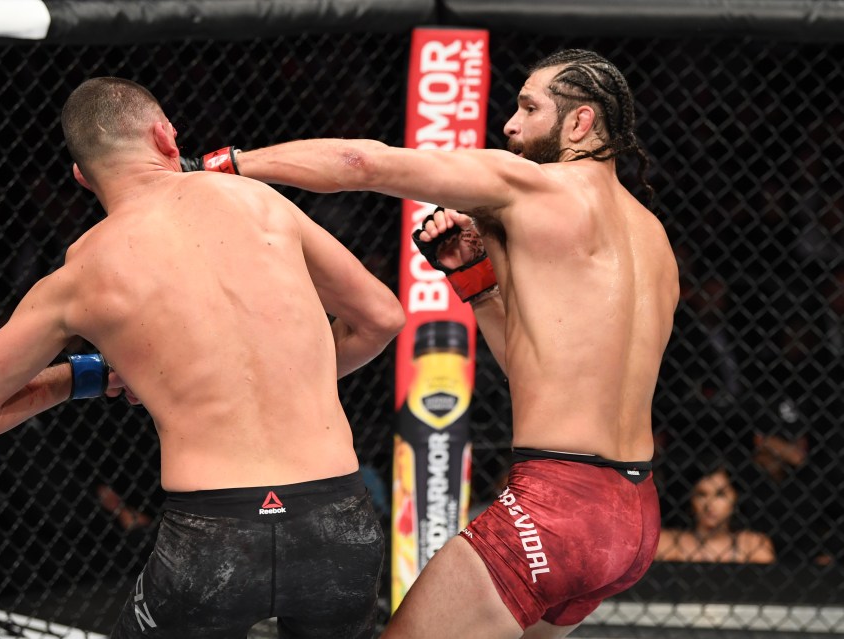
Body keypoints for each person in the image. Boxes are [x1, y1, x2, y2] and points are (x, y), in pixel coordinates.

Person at [183, 48, 679, 639]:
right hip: (634, 518)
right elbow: (537, 373)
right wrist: (475, 285)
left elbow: (361, 163)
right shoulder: (655, 241)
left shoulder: (530, 186)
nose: (511, 126)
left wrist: (216, 165)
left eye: (529, 108)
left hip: (556, 506)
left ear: (580, 122)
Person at [0, 76, 405, 638]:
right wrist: (295, 376)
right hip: (337, 519)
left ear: (82, 177)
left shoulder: (82, 272)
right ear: (166, 136)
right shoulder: (260, 202)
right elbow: (381, 317)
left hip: (217, 531)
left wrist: (82, 378)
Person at [655, 459, 774, 564]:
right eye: (702, 494)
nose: (709, 505)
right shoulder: (668, 542)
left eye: (720, 494)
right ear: (690, 500)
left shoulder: (753, 544)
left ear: (736, 498)